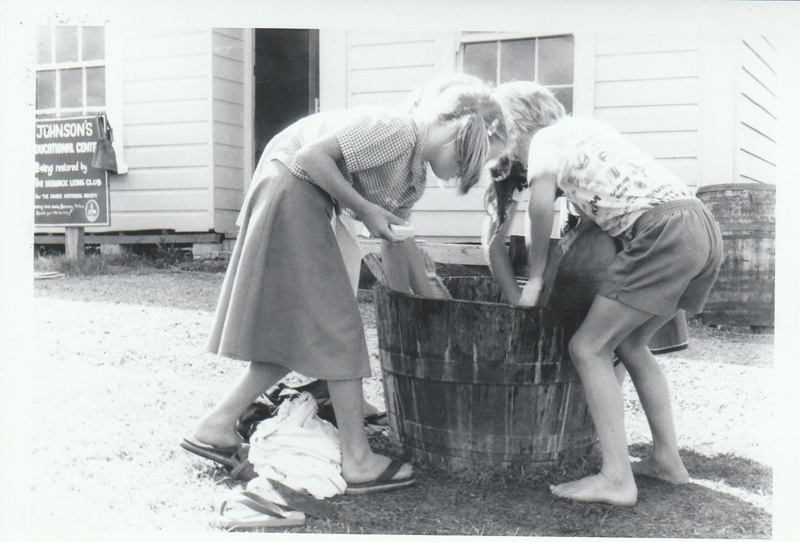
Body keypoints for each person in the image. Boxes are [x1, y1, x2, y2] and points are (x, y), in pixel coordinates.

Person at [181, 80, 506, 495]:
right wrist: (365, 207)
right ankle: (357, 459)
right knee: (339, 330)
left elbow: (396, 240)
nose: (465, 175)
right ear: (459, 134)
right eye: (468, 161)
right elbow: (311, 156)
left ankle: (218, 424)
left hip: (298, 198)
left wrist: (426, 301)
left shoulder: (411, 175)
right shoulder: (398, 129)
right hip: (293, 191)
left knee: (299, 334)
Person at [484, 81, 723, 506]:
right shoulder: (591, 134)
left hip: (661, 231)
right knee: (631, 345)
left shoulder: (544, 140)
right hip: (700, 225)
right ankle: (668, 460)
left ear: (516, 127)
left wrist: (536, 277)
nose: (507, 154)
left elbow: (541, 206)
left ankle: (616, 478)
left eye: (502, 139)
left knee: (588, 347)